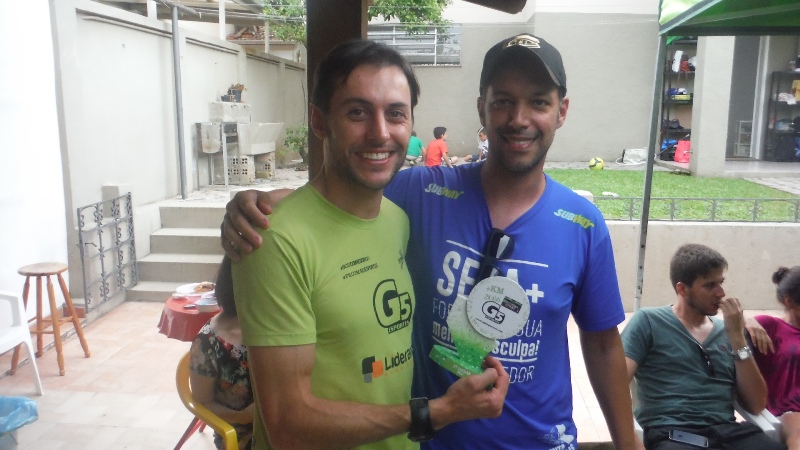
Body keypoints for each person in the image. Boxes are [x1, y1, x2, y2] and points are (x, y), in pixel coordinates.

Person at [221, 33, 636, 449]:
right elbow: (340, 196)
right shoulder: (422, 193)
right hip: (433, 441)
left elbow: (603, 345)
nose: (519, 119)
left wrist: (627, 443)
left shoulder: (583, 224)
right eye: (503, 101)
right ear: (482, 108)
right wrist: (261, 205)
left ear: (561, 111)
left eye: (539, 102)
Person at [231, 39, 508, 450]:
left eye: (395, 114)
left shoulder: (397, 219)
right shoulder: (276, 239)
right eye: (357, 112)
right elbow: (288, 425)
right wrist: (438, 412)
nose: (380, 132)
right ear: (320, 121)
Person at [622, 243, 786, 450]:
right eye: (710, 286)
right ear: (682, 289)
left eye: (721, 283)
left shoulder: (730, 331)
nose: (721, 293)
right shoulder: (648, 321)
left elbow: (756, 404)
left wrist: (737, 339)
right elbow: (616, 381)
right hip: (673, 432)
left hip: (727, 432)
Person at [189, 256, 254, 450]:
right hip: (242, 434)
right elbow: (203, 402)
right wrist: (242, 416)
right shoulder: (208, 342)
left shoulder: (281, 324)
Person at [745, 266, 800, 450]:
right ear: (789, 302)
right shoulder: (771, 326)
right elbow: (729, 326)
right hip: (789, 410)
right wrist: (747, 320)